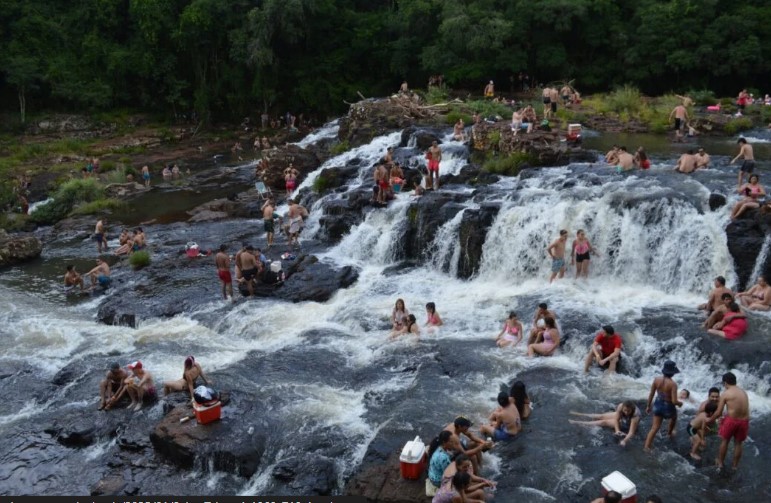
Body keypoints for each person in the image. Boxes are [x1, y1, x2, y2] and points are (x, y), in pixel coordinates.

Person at [708, 372, 750, 471]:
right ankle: (734, 466)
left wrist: (710, 420)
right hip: (744, 421)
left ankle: (720, 463)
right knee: (738, 443)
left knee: (725, 441)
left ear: (725, 383)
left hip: (732, 421)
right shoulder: (743, 392)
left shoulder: (726, 394)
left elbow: (718, 412)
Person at [643, 360, 683, 451]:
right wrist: (680, 403)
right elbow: (674, 401)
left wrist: (648, 406)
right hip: (668, 406)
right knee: (674, 417)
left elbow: (651, 394)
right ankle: (669, 433)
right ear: (673, 373)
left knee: (654, 427)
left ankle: (646, 447)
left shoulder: (656, 379)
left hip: (657, 404)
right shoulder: (673, 384)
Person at [569, 400, 641, 447]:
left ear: (632, 410)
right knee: (602, 416)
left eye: (628, 411)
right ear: (623, 408)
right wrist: (617, 431)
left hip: (628, 423)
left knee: (604, 422)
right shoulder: (620, 406)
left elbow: (631, 432)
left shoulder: (635, 415)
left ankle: (578, 422)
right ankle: (578, 414)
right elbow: (616, 419)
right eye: (625, 410)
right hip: (623, 418)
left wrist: (624, 441)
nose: (626, 412)